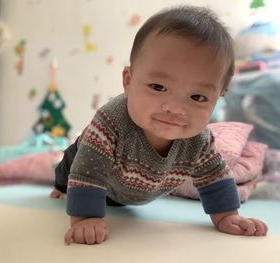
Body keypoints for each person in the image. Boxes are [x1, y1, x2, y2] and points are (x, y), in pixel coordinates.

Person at [50, 5, 268, 245]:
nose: (174, 108)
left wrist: (227, 216)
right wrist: (84, 217)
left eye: (197, 97)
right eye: (158, 87)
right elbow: (87, 170)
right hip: (90, 165)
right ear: (129, 81)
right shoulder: (110, 121)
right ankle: (60, 184)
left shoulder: (199, 141)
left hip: (136, 188)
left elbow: (214, 177)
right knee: (67, 170)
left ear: (219, 97)